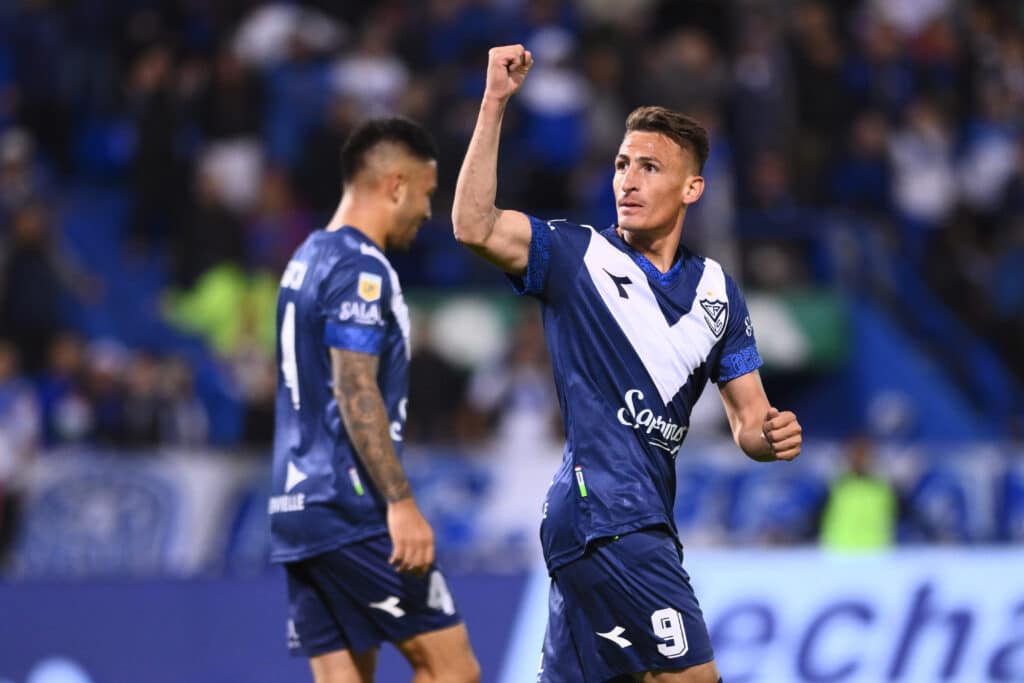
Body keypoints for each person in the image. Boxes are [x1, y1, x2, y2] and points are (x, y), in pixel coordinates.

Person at [452, 45, 803, 683]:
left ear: (692, 187)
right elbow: (473, 225)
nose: (627, 179)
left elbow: (748, 420)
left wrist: (771, 434)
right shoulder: (574, 257)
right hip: (608, 514)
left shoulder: (719, 291)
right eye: (621, 164)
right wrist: (495, 102)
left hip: (620, 524)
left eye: (648, 167)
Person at [269, 117, 480, 683]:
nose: (427, 211)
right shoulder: (362, 268)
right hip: (351, 503)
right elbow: (354, 386)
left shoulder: (304, 260)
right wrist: (400, 502)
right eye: (427, 193)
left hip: (297, 508)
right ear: (395, 185)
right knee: (452, 668)